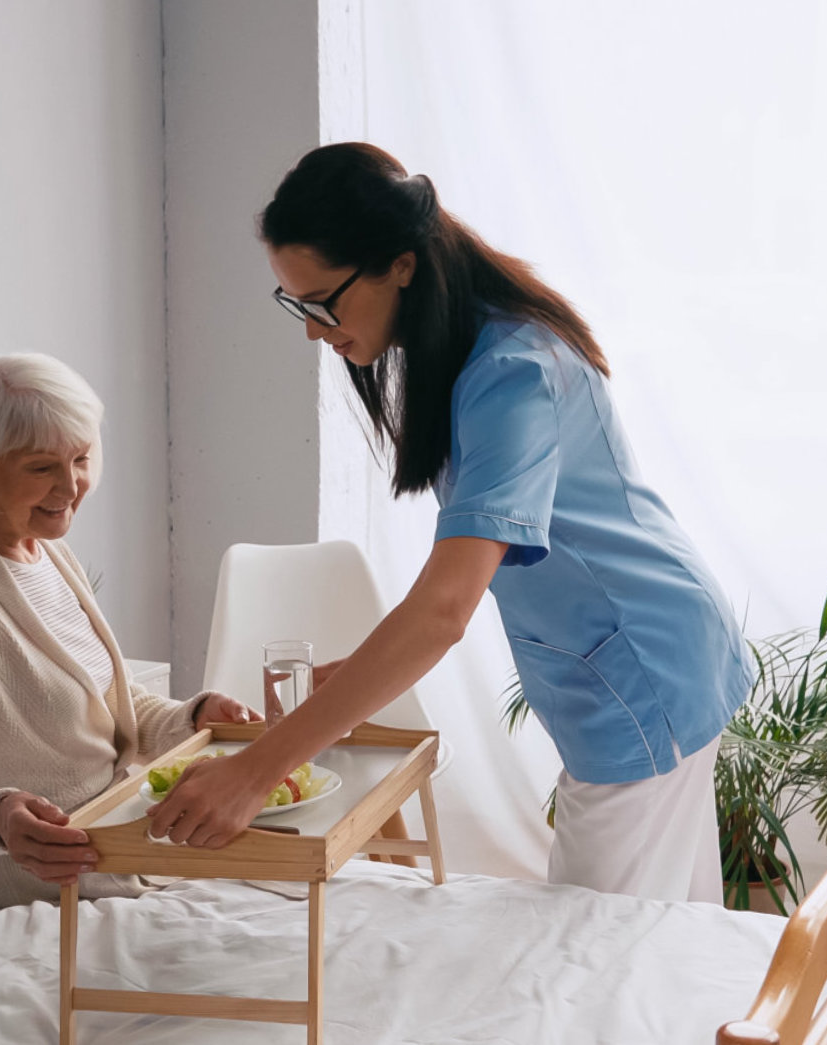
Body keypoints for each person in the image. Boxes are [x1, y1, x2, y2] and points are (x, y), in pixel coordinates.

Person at [146, 143, 752, 903]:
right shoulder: (472, 350)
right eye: (295, 304)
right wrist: (345, 685)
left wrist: (254, 771)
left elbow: (444, 608)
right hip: (646, 655)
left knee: (599, 953)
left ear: (398, 264)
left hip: (645, 667)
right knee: (659, 938)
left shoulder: (511, 374)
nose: (312, 330)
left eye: (322, 302)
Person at [0, 353, 256, 909]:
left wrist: (191, 719)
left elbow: (103, 712)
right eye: (40, 468)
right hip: (38, 881)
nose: (71, 486)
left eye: (81, 458)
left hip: (120, 835)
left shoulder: (43, 550)